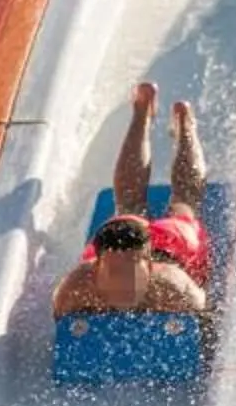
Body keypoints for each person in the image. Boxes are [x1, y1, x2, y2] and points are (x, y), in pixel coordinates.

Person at [53, 81, 213, 316]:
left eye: (132, 272)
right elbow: (60, 328)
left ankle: (185, 127)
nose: (124, 284)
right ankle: (141, 113)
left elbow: (206, 317)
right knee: (128, 206)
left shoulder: (174, 288)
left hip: (172, 247)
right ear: (96, 269)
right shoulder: (76, 287)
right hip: (128, 244)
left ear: (148, 267)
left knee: (185, 205)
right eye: (115, 273)